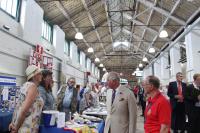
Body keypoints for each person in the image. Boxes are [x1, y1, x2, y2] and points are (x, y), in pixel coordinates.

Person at [9, 65, 44, 133]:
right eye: (39, 73)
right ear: (34, 76)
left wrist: (13, 123)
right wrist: (16, 128)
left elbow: (18, 106)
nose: (41, 75)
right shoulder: (33, 87)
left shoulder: (25, 85)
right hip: (26, 128)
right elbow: (24, 110)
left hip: (23, 127)